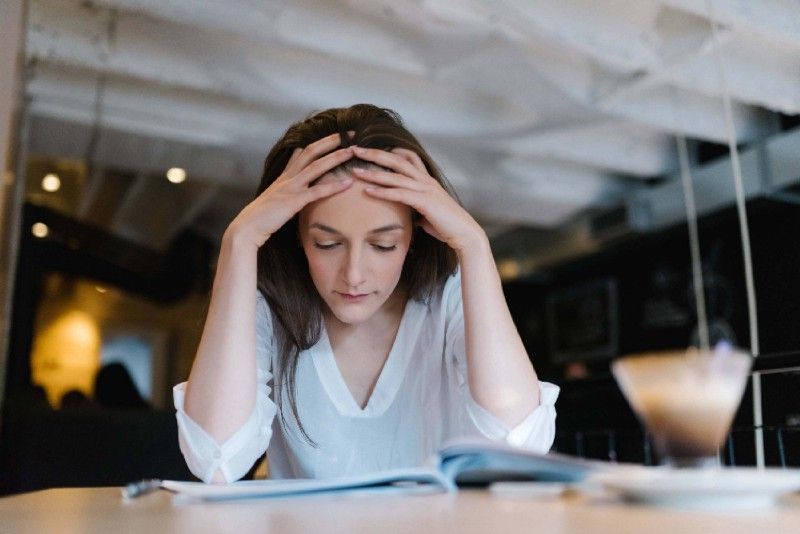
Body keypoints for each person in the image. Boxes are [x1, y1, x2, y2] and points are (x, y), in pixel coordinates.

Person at [173, 104, 559, 484]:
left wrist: (474, 245)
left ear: (416, 235)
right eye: (327, 243)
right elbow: (215, 460)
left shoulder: (447, 298)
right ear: (296, 237)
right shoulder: (269, 308)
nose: (354, 275)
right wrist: (239, 241)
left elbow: (519, 440)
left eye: (384, 245)